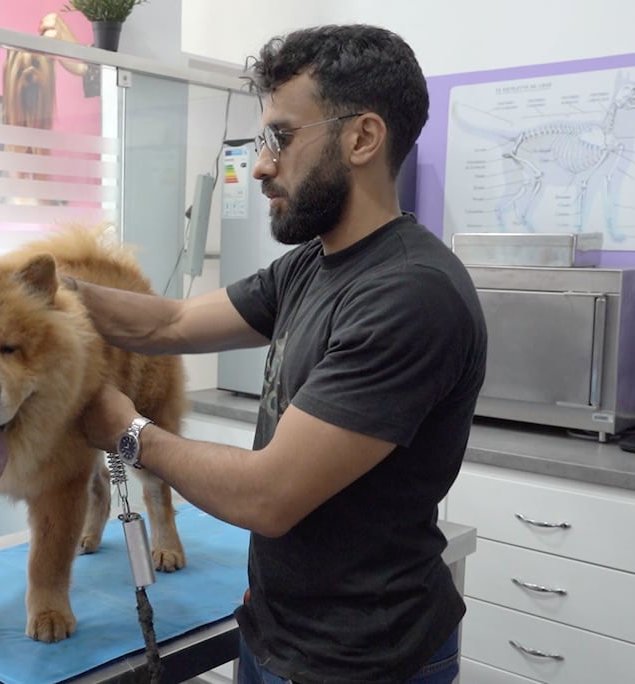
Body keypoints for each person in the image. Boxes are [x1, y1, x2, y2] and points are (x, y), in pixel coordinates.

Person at [70, 24, 487, 684]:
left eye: (282, 138)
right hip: (276, 630)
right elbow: (170, 323)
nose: (261, 165)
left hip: (362, 661)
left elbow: (269, 497)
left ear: (362, 138)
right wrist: (52, 292)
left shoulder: (409, 295)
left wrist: (128, 433)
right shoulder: (311, 266)